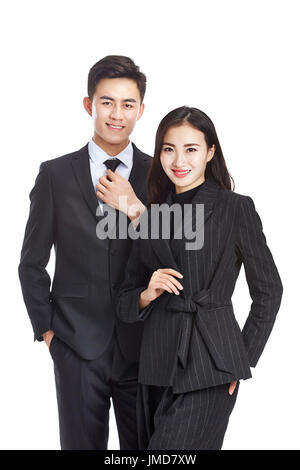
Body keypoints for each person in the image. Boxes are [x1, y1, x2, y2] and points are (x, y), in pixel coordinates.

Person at [116, 106, 283, 450]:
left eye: (191, 149)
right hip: (154, 363)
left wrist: (241, 359)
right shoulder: (153, 212)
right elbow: (125, 297)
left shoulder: (235, 208)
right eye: (168, 148)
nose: (179, 159)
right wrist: (146, 294)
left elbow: (269, 291)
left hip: (211, 363)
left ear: (210, 153)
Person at [18, 55, 152, 450]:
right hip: (75, 344)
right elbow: (31, 262)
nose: (117, 114)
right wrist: (48, 332)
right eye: (107, 102)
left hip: (143, 343)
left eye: (128, 104)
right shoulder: (55, 175)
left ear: (141, 110)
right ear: (89, 104)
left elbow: (172, 249)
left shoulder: (157, 175)